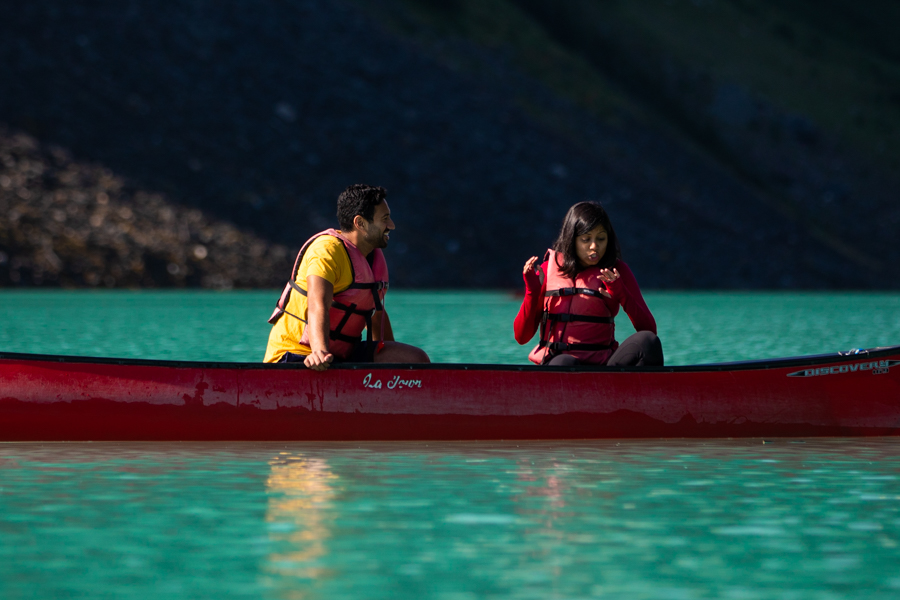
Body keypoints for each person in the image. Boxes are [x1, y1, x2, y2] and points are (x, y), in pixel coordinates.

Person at [264, 184, 430, 370]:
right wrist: (319, 351)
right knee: (323, 363)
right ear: (360, 223)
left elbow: (375, 314)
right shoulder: (327, 250)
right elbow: (318, 304)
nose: (391, 225)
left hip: (344, 354)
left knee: (415, 359)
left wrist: (393, 364)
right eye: (385, 219)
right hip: (299, 354)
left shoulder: (373, 255)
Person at [514, 201, 663, 367]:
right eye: (586, 239)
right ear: (571, 239)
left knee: (648, 341)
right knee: (565, 362)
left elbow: (649, 329)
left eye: (601, 239)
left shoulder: (617, 271)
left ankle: (636, 392)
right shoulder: (547, 270)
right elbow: (522, 337)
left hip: (605, 367)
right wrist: (532, 291)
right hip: (560, 366)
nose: (594, 246)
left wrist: (621, 293)